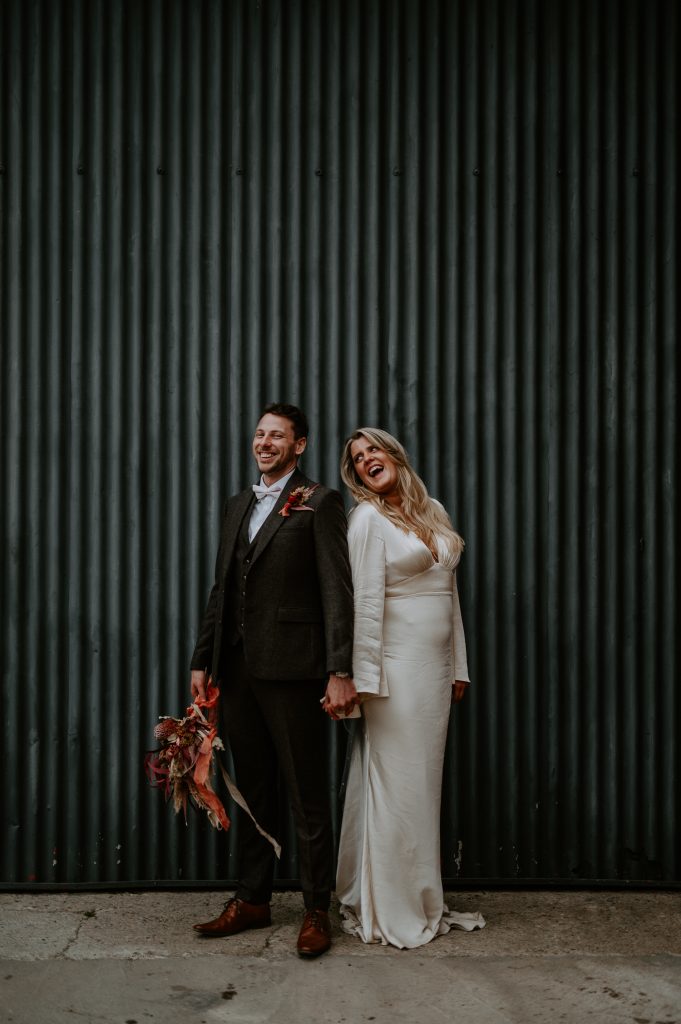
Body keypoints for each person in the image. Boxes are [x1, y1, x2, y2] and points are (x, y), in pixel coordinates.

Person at [190, 403, 358, 957]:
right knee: (255, 790)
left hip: (293, 670)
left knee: (306, 791)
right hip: (236, 671)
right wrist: (203, 658)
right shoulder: (239, 503)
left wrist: (339, 670)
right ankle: (254, 899)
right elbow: (223, 587)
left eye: (277, 436)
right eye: (260, 434)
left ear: (299, 445)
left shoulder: (320, 502)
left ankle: (315, 909)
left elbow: (337, 591)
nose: (265, 443)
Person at [331, 427, 485, 948]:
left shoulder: (433, 509)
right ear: (355, 476)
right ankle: (389, 905)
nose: (366, 459)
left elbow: (449, 594)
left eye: (373, 449)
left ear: (394, 454)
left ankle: (422, 894)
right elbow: (363, 604)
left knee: (424, 788)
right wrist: (360, 680)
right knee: (398, 787)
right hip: (393, 673)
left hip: (435, 671)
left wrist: (458, 665)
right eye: (357, 458)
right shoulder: (367, 519)